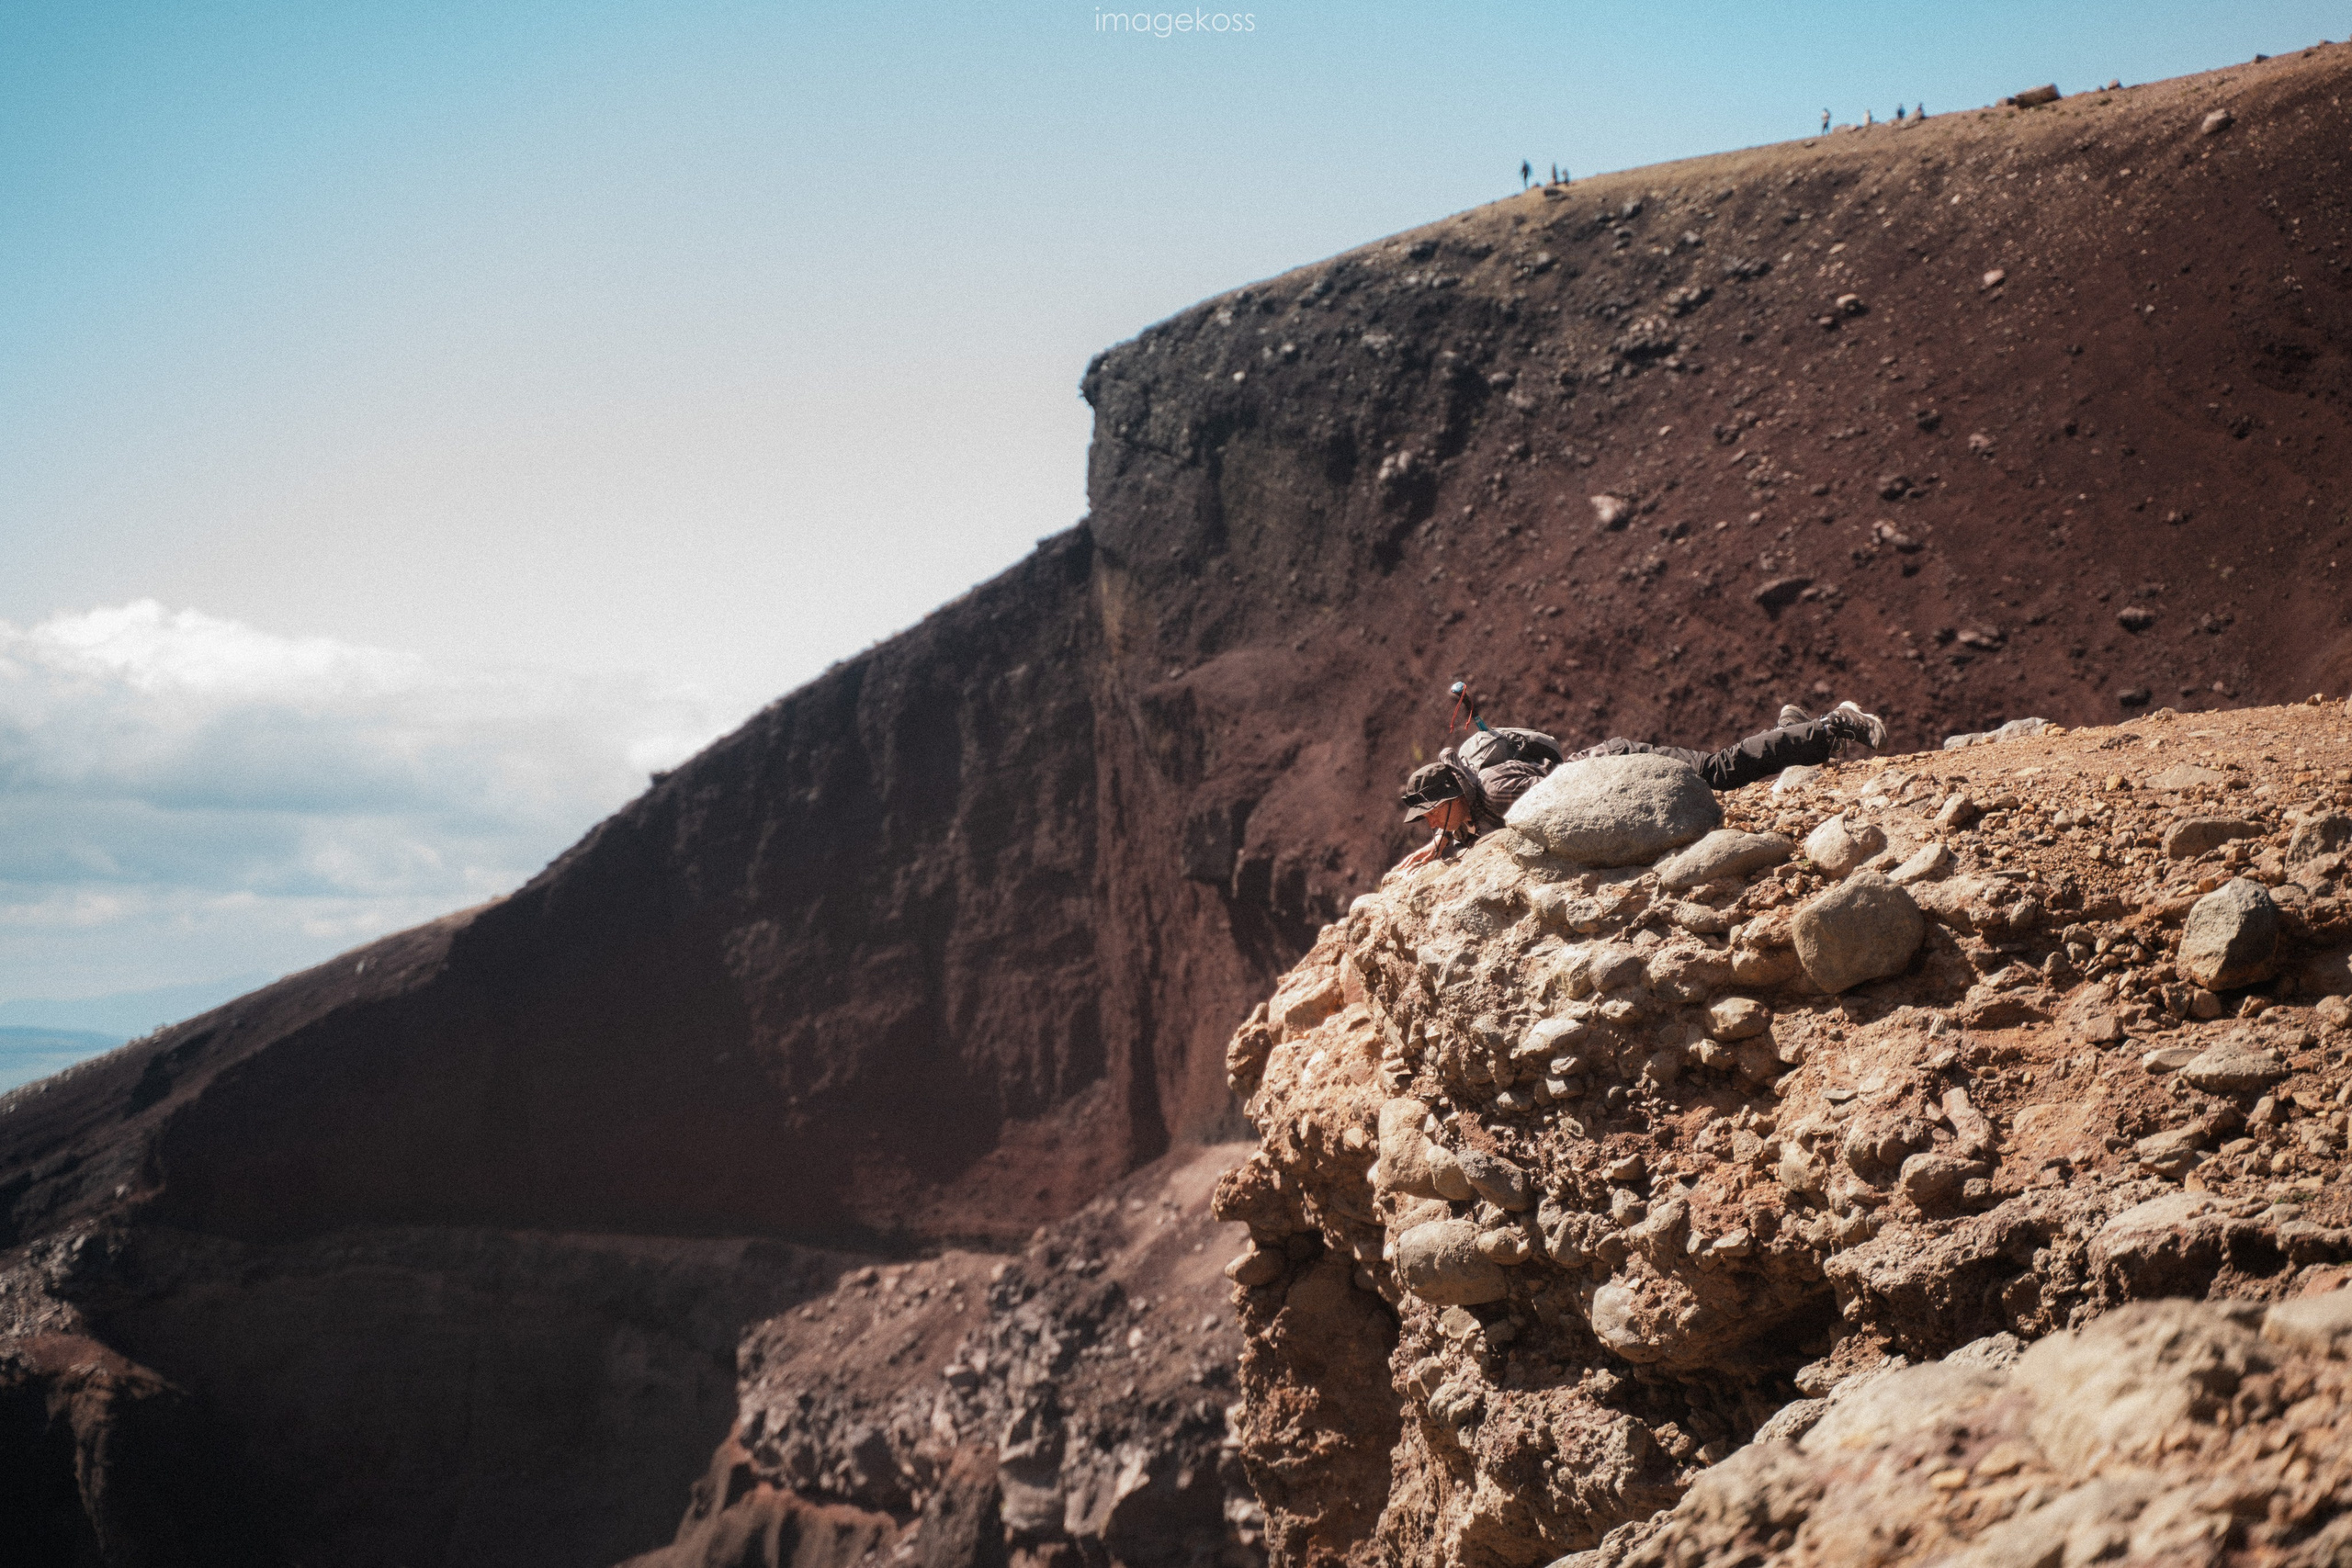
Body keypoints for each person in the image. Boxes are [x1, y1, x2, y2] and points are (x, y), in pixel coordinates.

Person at [1392, 701, 1885, 871]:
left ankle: (1833, 725)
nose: (1431, 824)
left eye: (1433, 814)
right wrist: (1445, 838)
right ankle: (1792, 730)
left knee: (1718, 772)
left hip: (1621, 768)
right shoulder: (1472, 798)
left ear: (1455, 796)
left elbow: (1553, 806)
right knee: (1723, 774)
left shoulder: (1497, 790)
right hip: (1610, 771)